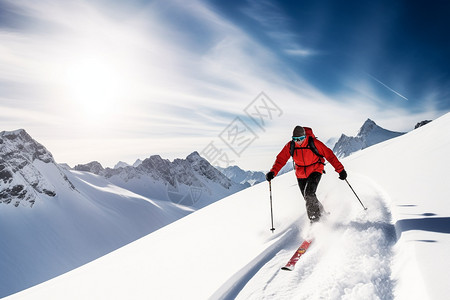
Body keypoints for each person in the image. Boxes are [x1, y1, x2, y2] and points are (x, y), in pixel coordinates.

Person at [266, 125, 347, 222]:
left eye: (300, 138)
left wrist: (340, 170)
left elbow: (330, 155)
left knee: (309, 194)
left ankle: (315, 220)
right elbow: (281, 159)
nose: (298, 141)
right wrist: (272, 172)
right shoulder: (290, 146)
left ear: (305, 136)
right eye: (295, 139)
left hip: (315, 169)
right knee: (308, 198)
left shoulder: (314, 143)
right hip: (300, 173)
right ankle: (322, 213)